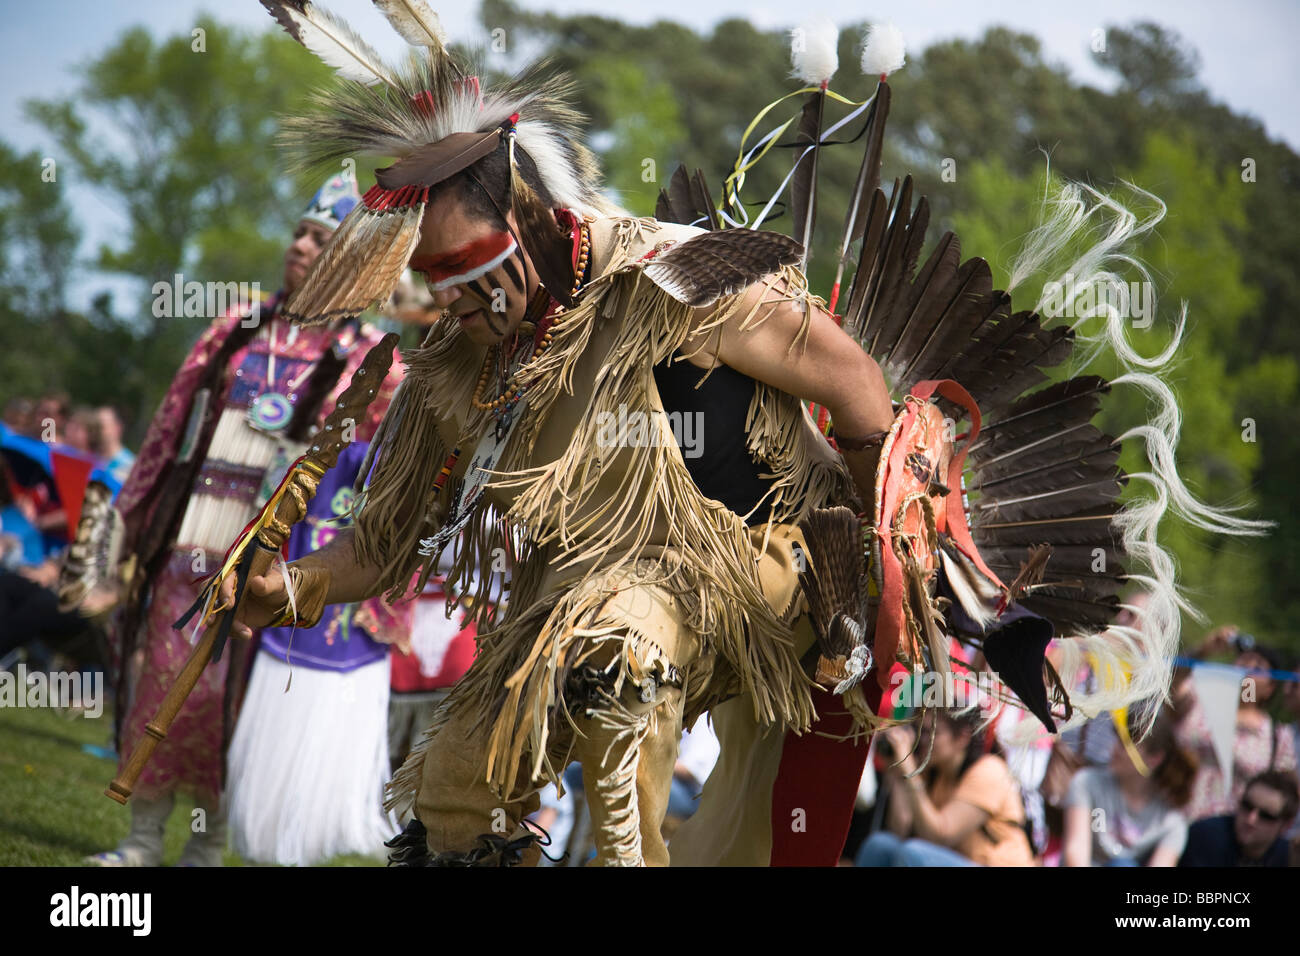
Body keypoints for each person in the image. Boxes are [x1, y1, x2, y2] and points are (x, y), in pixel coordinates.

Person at [232, 4, 1263, 867]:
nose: (446, 309)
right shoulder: (455, 367)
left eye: (462, 282)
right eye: (430, 288)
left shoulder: (674, 278)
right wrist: (286, 588)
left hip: (749, 567)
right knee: (460, 779)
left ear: (531, 228)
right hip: (569, 595)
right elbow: (381, 539)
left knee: (618, 653)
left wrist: (870, 555)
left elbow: (858, 382)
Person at [88, 172, 403, 867]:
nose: (298, 245)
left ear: (351, 261)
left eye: (319, 239)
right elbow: (171, 423)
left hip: (270, 558)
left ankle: (204, 846)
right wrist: (128, 523)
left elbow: (391, 478)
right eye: (298, 231)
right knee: (164, 678)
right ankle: (140, 839)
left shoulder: (370, 359)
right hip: (194, 530)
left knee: (228, 704)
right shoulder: (238, 324)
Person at [856, 709, 1036, 867]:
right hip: (956, 859)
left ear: (962, 737)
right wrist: (897, 775)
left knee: (912, 853)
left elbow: (941, 835)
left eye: (933, 732)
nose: (924, 740)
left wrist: (910, 771)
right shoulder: (936, 770)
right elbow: (900, 828)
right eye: (922, 732)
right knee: (880, 845)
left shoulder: (989, 771)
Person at [1173, 626, 1298, 820]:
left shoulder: (1277, 736)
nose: (1246, 670)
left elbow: (1287, 795)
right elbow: (1171, 682)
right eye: (1242, 661)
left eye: (1257, 668)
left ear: (1270, 688)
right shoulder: (1200, 700)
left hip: (1232, 837)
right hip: (1172, 822)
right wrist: (1204, 649)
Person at [1062, 708, 1195, 866]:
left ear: (1155, 759)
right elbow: (1075, 852)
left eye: (1127, 743)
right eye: (1118, 737)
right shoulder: (1087, 783)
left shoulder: (1170, 821)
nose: (1115, 748)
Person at [1180, 770, 1298, 867]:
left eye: (1265, 816)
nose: (1251, 820)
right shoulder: (1206, 835)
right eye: (1247, 806)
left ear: (1286, 825)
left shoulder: (1288, 856)